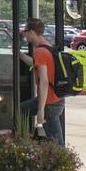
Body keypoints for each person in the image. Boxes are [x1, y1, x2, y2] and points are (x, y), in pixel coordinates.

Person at [19, 17, 65, 146]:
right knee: (20, 110)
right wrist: (19, 54)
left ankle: (26, 143)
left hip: (49, 104)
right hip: (55, 99)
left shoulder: (40, 51)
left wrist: (41, 110)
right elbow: (34, 63)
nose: (24, 34)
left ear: (32, 32)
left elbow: (44, 82)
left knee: (57, 145)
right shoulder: (48, 47)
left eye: (25, 31)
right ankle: (26, 141)